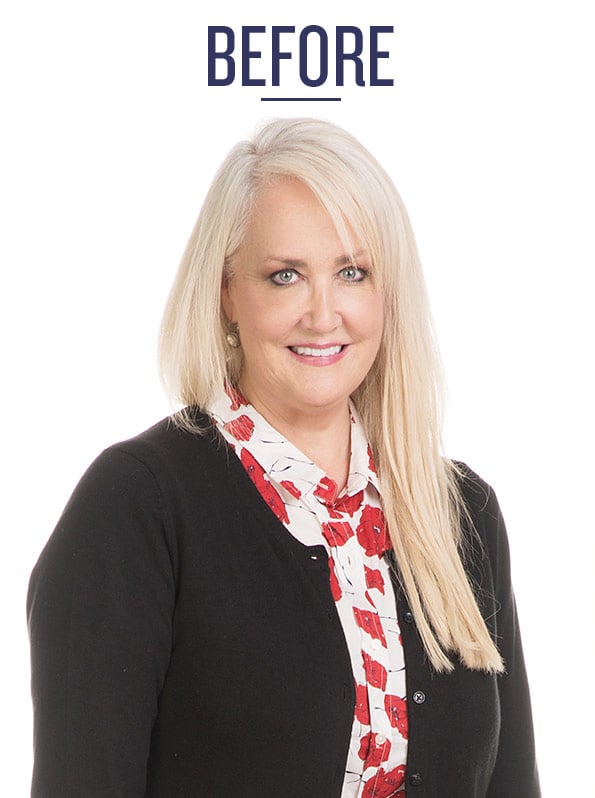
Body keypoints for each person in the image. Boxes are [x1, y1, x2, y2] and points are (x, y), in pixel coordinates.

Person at [28, 118, 539, 797]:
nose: (323, 315)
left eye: (353, 273)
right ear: (227, 291)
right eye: (286, 275)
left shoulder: (460, 513)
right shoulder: (138, 507)